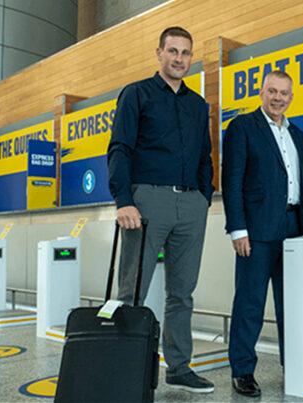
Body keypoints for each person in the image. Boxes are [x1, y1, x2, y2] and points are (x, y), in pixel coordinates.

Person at [222, 70, 303, 398]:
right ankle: (243, 370)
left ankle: (293, 364)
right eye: (272, 91)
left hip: (294, 232)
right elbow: (232, 182)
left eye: (284, 93)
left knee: (291, 304)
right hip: (256, 232)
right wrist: (237, 229)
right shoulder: (242, 128)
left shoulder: (299, 135)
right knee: (250, 302)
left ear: (292, 97)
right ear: (261, 92)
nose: (278, 98)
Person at [107, 26, 214, 394]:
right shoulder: (136, 94)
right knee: (132, 290)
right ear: (159, 53)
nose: (179, 59)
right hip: (147, 201)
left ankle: (179, 366)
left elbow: (205, 156)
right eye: (173, 51)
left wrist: (204, 196)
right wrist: (124, 200)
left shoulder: (198, 105)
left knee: (182, 292)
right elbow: (119, 148)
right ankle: (124, 366)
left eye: (185, 53)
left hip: (191, 204)